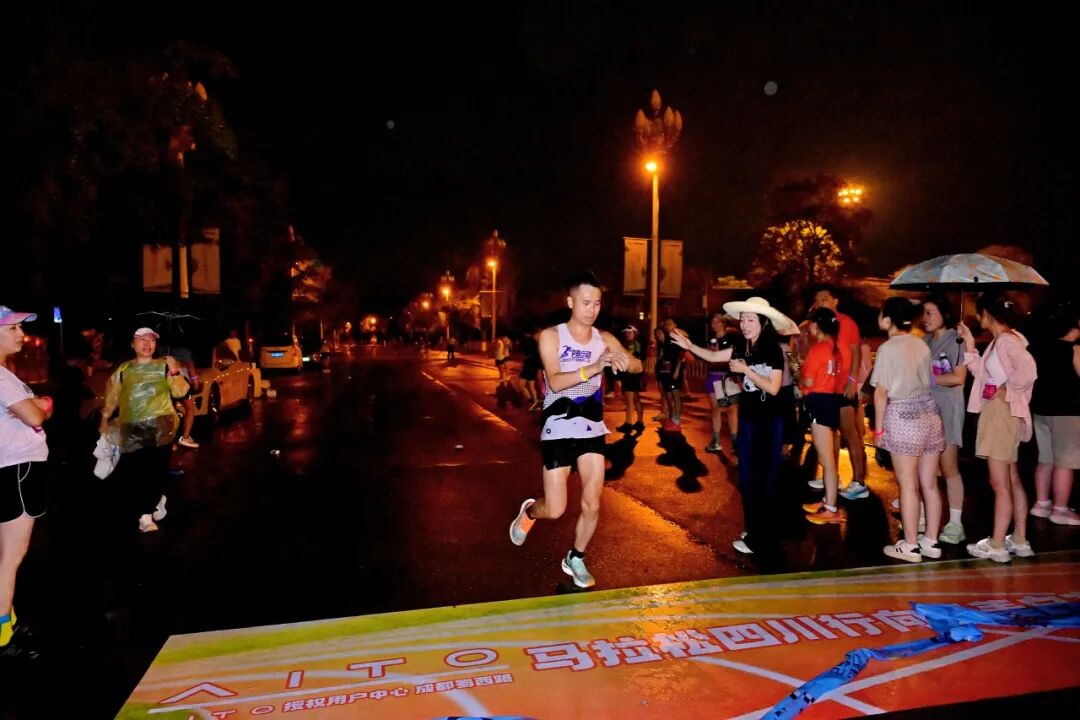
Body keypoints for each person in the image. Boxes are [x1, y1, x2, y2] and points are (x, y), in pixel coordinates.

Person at [509, 272, 642, 588]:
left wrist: (623, 361)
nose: (592, 309)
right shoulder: (551, 336)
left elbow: (636, 364)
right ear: (570, 302)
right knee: (555, 509)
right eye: (586, 303)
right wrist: (594, 367)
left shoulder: (604, 338)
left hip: (591, 425)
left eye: (597, 303)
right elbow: (555, 381)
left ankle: (576, 557)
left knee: (592, 502)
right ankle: (531, 512)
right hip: (558, 424)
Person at [672, 297, 797, 555]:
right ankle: (754, 529)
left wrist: (747, 370)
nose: (745, 324)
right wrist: (690, 346)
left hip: (768, 422)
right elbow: (713, 355)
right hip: (749, 418)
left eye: (751, 319)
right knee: (748, 477)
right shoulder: (741, 345)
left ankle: (761, 538)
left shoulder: (772, 349)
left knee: (764, 478)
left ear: (763, 322)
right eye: (742, 319)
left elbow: (773, 388)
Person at [959, 295, 1038, 562]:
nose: (977, 317)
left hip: (1000, 415)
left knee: (999, 483)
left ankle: (996, 545)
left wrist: (1008, 390)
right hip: (1004, 414)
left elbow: (1028, 370)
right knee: (1011, 479)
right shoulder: (1003, 340)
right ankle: (1019, 539)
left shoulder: (1006, 341)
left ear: (988, 315)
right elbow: (984, 376)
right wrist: (970, 344)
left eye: (979, 313)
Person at [871, 298, 945, 563]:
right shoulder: (921, 344)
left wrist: (878, 431)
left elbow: (881, 392)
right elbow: (930, 381)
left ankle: (910, 546)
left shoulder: (887, 348)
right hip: (930, 413)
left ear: (887, 319)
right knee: (930, 484)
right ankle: (931, 541)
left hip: (903, 415)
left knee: (908, 485)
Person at [99, 328, 190, 533]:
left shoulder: (164, 366)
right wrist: (105, 418)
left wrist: (175, 371)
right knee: (133, 472)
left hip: (161, 428)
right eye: (141, 340)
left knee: (156, 471)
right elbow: (112, 395)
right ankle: (153, 500)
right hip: (132, 429)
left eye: (151, 340)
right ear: (132, 344)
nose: (147, 344)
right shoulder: (124, 369)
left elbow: (181, 391)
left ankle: (146, 514)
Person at [0, 307, 52, 647]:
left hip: (10, 467)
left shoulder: (6, 374)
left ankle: (9, 620)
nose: (21, 334)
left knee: (7, 554)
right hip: (17, 469)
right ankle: (3, 633)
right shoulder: (1, 377)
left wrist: (37, 405)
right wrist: (42, 404)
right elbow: (34, 414)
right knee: (11, 556)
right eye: (13, 328)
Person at [810, 286, 869, 500]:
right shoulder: (818, 325)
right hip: (826, 388)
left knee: (850, 433)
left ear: (835, 301)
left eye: (824, 299)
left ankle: (859, 482)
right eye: (817, 300)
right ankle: (831, 475)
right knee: (829, 434)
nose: (820, 303)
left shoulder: (847, 322)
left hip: (844, 387)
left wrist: (852, 381)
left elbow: (855, 353)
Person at [921, 294, 969, 544]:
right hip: (926, 410)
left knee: (948, 466)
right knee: (926, 467)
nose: (925, 318)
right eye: (924, 313)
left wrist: (926, 379)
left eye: (930, 313)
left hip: (948, 410)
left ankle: (955, 523)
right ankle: (923, 516)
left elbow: (958, 378)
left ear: (944, 314)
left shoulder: (956, 340)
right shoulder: (925, 341)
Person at [1028, 303, 1080, 525]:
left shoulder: (1041, 349)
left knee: (1045, 459)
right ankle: (1060, 509)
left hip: (1041, 410)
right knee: (1065, 462)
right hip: (1067, 413)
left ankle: (1041, 503)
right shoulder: (1074, 350)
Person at [800, 308, 849, 524]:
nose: (809, 327)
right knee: (827, 456)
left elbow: (809, 381)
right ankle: (827, 501)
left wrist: (800, 377)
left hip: (818, 402)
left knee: (827, 459)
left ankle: (831, 508)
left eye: (811, 323)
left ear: (817, 325)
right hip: (830, 400)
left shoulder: (818, 349)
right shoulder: (837, 348)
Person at [704, 313, 741, 458]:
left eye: (718, 321)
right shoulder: (710, 339)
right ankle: (715, 440)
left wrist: (718, 354)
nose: (715, 324)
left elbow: (734, 356)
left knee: (731, 410)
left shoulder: (731, 337)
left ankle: (735, 443)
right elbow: (709, 358)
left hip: (726, 376)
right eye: (713, 322)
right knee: (715, 409)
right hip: (713, 375)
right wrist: (711, 353)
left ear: (724, 323)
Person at [658, 318, 685, 432]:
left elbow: (681, 356)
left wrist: (677, 370)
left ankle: (677, 420)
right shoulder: (666, 340)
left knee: (675, 395)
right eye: (665, 324)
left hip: (675, 371)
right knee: (668, 395)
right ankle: (672, 417)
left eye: (669, 324)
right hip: (666, 372)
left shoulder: (678, 338)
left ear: (675, 325)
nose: (667, 326)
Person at [615, 326, 645, 431]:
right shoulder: (635, 344)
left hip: (630, 375)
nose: (627, 334)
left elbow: (629, 358)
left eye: (629, 332)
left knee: (629, 400)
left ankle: (628, 424)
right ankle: (640, 422)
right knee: (636, 398)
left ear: (634, 333)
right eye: (626, 332)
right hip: (634, 374)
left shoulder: (632, 344)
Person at [519, 329, 542, 411]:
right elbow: (532, 355)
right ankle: (533, 402)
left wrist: (525, 358)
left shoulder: (534, 343)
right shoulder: (532, 342)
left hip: (531, 367)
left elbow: (531, 355)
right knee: (525, 386)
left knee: (526, 386)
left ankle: (533, 402)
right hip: (530, 367)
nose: (540, 336)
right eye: (539, 334)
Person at [651, 327, 671, 422]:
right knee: (662, 393)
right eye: (656, 334)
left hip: (668, 371)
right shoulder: (659, 346)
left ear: (664, 333)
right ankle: (664, 412)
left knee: (668, 393)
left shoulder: (669, 344)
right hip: (660, 371)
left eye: (659, 333)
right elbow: (658, 359)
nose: (657, 335)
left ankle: (670, 413)